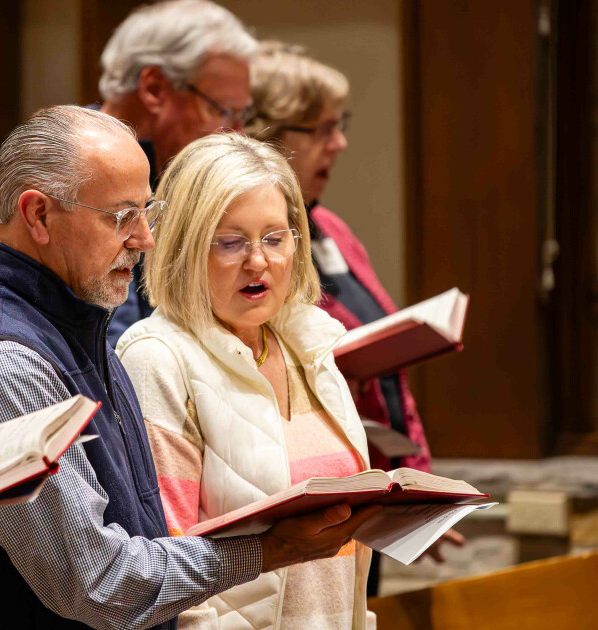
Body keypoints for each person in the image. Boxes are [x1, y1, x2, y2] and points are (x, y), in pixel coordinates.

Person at [0, 105, 379, 630]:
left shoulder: (78, 325)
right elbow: (100, 583)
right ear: (37, 216)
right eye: (120, 215)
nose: (145, 239)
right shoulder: (1, 369)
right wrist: (268, 550)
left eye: (147, 212)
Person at [117, 133, 377, 628]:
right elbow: (165, 556)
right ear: (186, 247)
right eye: (231, 243)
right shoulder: (157, 358)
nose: (258, 262)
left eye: (275, 239)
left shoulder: (308, 343)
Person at [244, 42, 460, 594]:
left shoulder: (331, 229)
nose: (338, 143)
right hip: (298, 506)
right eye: (318, 129)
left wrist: (415, 477)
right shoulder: (236, 253)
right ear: (262, 134)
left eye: (339, 126)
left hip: (367, 489)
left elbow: (390, 370)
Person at [99, 0, 258, 345]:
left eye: (241, 114)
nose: (237, 134)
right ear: (155, 88)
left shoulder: (168, 167)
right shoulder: (72, 168)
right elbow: (114, 349)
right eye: (223, 110)